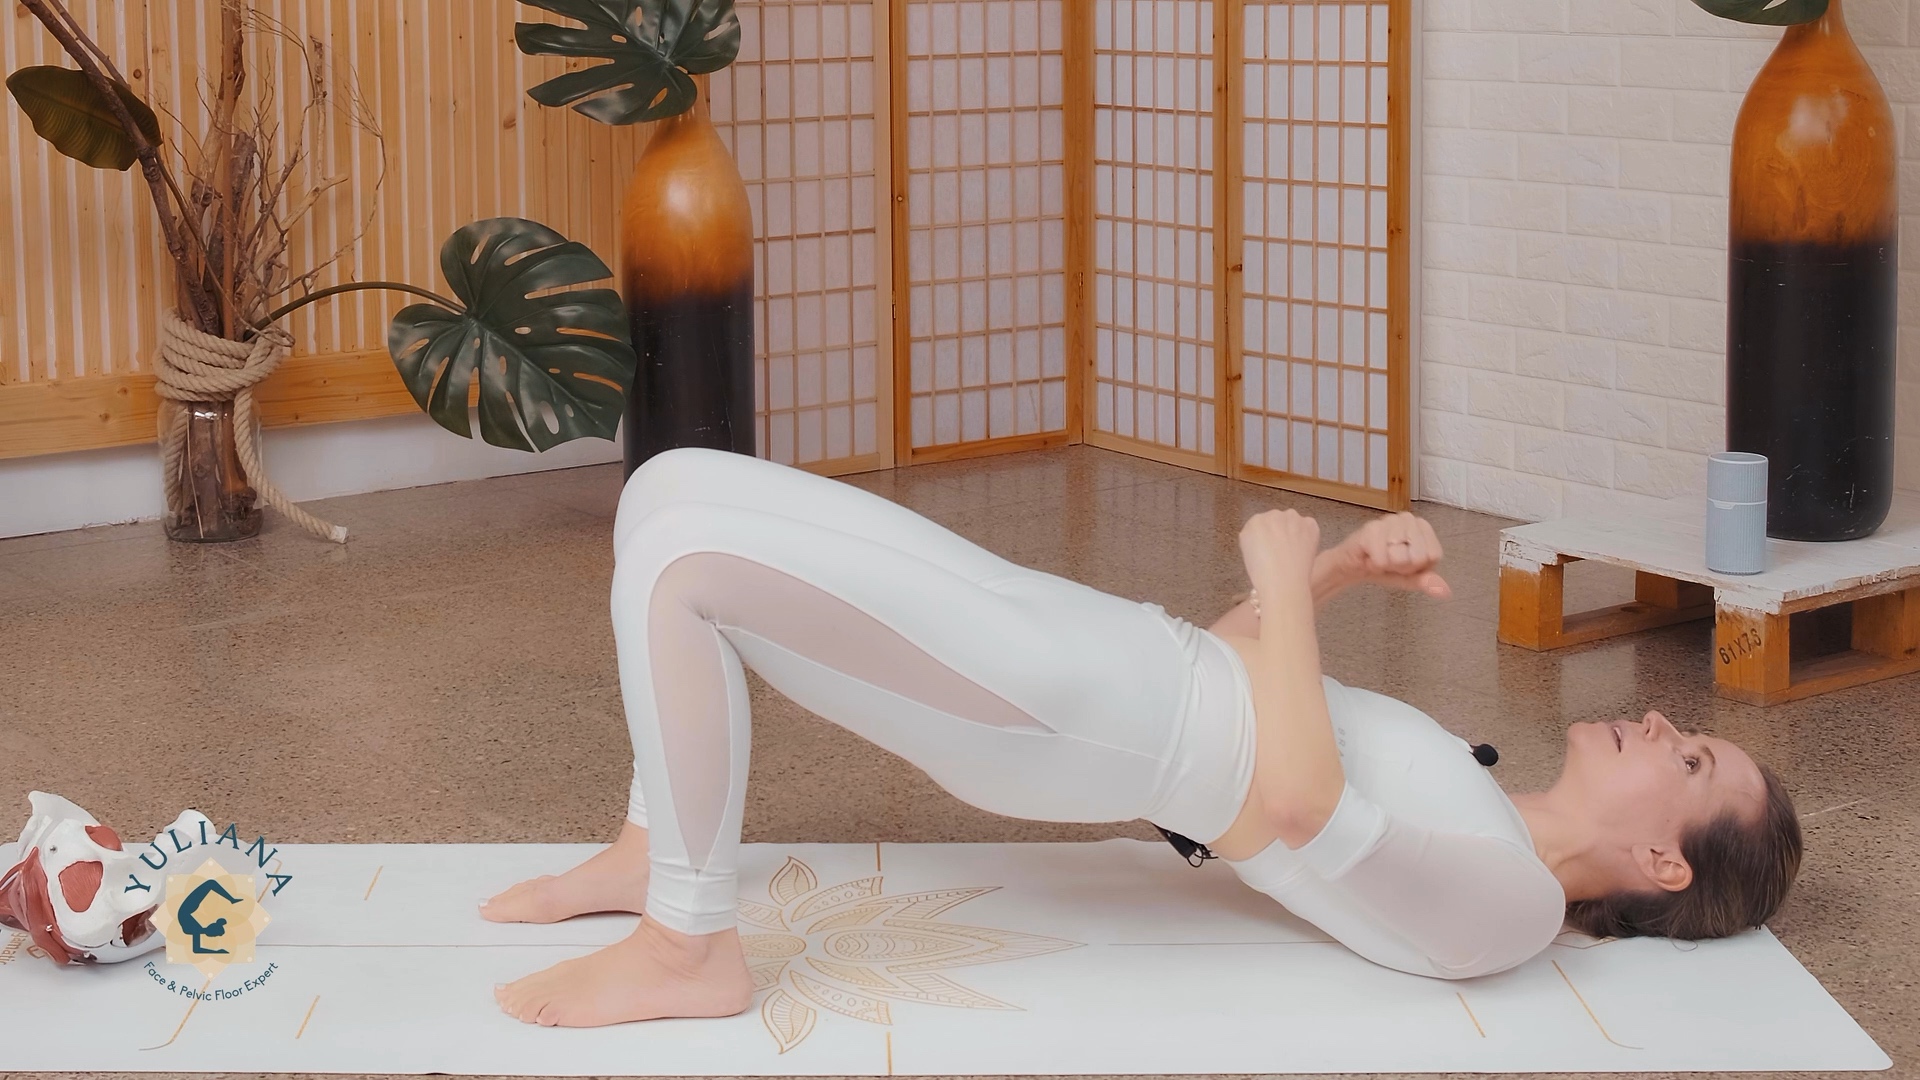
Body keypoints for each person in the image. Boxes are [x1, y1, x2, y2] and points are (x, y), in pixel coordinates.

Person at [482, 448, 1803, 1028]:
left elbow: (1289, 804)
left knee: (686, 571)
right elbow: (1248, 681)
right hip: (1110, 655)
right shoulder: (1479, 807)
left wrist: (1291, 582)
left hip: (1068, 715)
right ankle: (649, 846)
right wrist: (1338, 569)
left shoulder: (1509, 910)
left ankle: (687, 942)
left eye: (1691, 763)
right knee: (668, 494)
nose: (1661, 723)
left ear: (1666, 865)